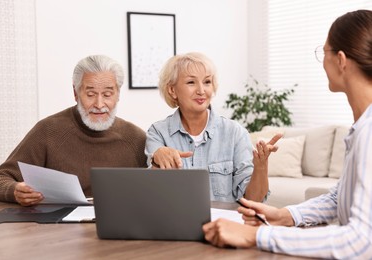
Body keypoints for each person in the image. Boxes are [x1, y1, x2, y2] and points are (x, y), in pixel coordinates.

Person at [202, 9, 372, 258]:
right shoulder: (360, 128)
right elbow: (342, 196)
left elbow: (361, 241)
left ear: (341, 60)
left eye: (324, 52)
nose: (322, 62)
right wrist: (286, 215)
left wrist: (256, 236)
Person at [0, 55, 147, 206]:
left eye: (107, 94)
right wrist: (15, 190)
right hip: (59, 231)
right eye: (90, 94)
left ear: (118, 95)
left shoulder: (136, 138)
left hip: (118, 227)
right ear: (75, 93)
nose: (99, 104)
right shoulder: (48, 131)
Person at [145, 52, 281, 202]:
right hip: (175, 224)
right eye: (191, 82)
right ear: (172, 90)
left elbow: (254, 200)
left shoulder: (235, 133)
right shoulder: (158, 134)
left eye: (207, 82)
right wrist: (157, 158)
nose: (201, 90)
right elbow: (151, 197)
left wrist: (261, 167)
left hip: (224, 224)